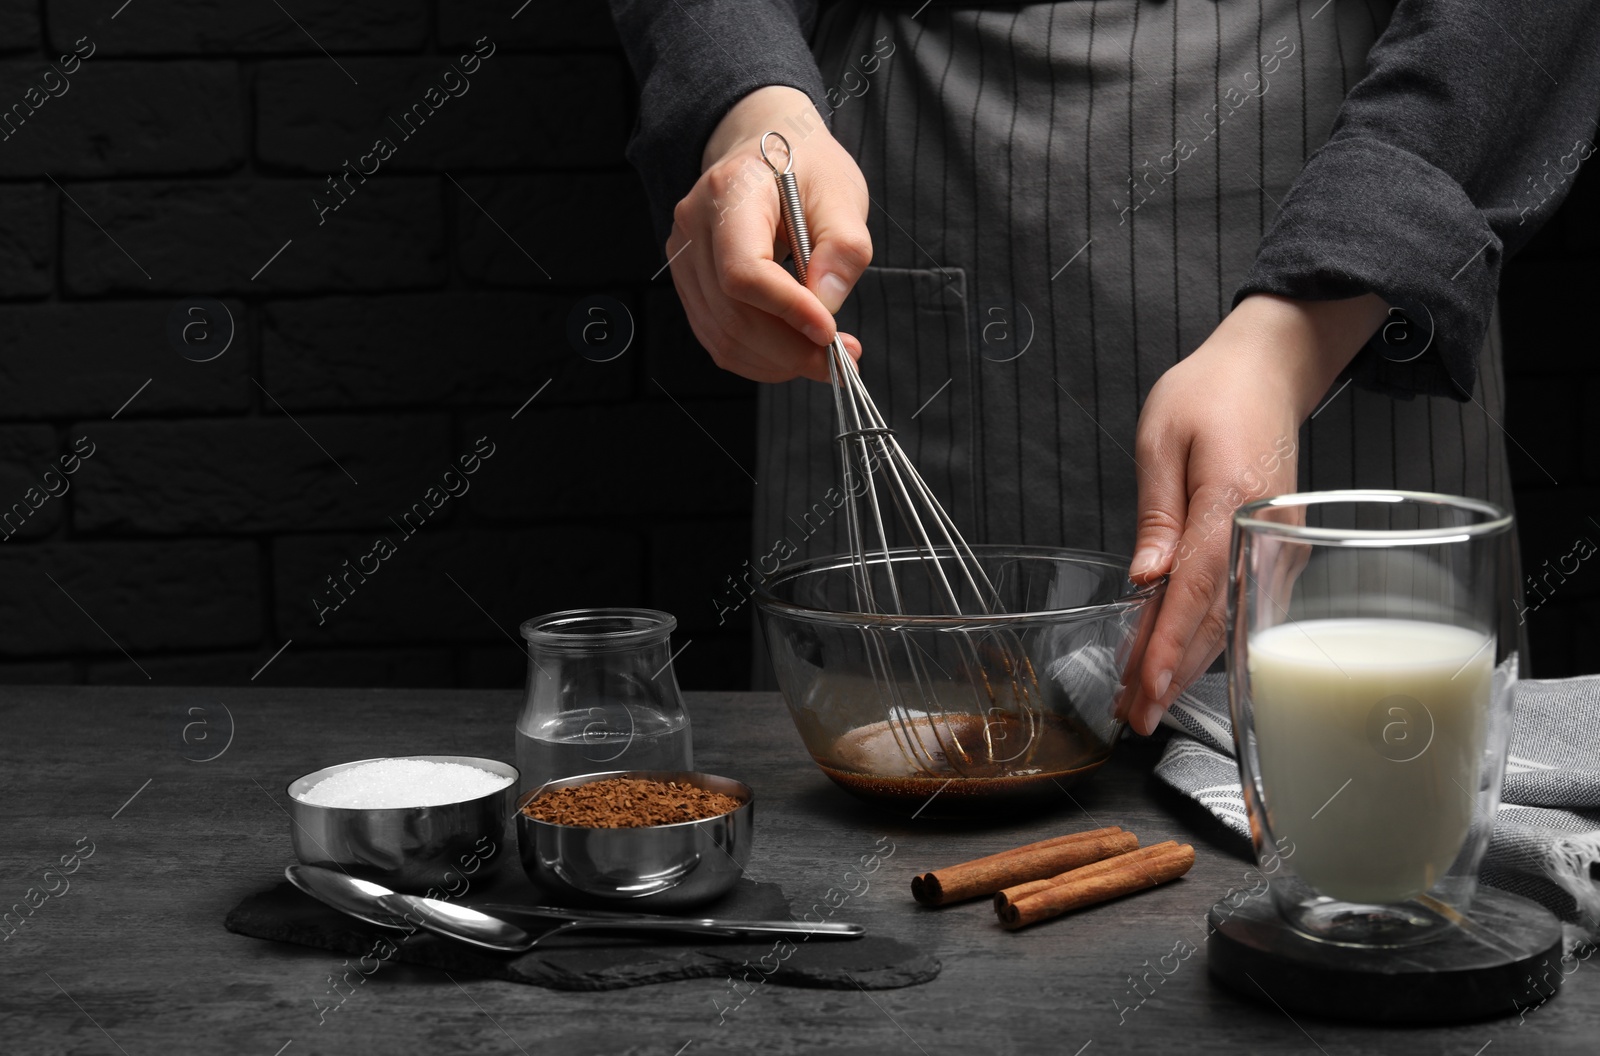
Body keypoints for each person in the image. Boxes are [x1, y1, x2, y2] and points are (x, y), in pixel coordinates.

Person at [609, 0, 1600, 732]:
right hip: (919, 198)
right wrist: (749, 114)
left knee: (1382, 885)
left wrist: (1300, 329)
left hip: (1370, 259)